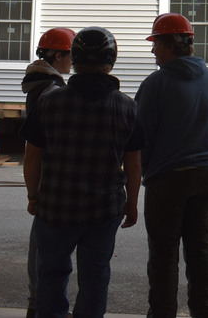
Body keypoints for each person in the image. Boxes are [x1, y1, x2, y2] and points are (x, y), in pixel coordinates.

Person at [20, 26, 143, 318]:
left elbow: (32, 157)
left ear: (74, 59)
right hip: (103, 210)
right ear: (110, 60)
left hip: (55, 208)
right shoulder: (127, 107)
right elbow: (134, 165)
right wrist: (132, 202)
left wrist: (33, 196)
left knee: (51, 275)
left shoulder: (48, 102)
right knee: (95, 278)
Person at [136, 13, 208, 318]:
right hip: (205, 175)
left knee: (163, 256)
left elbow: (140, 138)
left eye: (156, 44)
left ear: (171, 45)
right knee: (200, 249)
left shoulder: (156, 84)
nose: (153, 52)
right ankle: (204, 312)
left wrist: (142, 175)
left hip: (167, 180)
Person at [22, 26, 75, 318]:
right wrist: (34, 193)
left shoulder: (38, 83)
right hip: (50, 177)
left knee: (42, 243)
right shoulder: (50, 89)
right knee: (45, 247)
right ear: (57, 55)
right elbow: (38, 146)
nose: (73, 61)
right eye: (70, 55)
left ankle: (39, 303)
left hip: (42, 176)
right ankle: (40, 305)